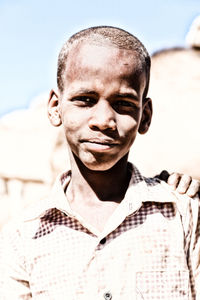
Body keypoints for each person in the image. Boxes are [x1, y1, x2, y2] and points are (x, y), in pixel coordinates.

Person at [0, 26, 199, 299]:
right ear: (55, 108)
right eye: (85, 100)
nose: (103, 120)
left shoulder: (183, 213)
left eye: (124, 103)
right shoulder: (22, 237)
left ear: (146, 116)